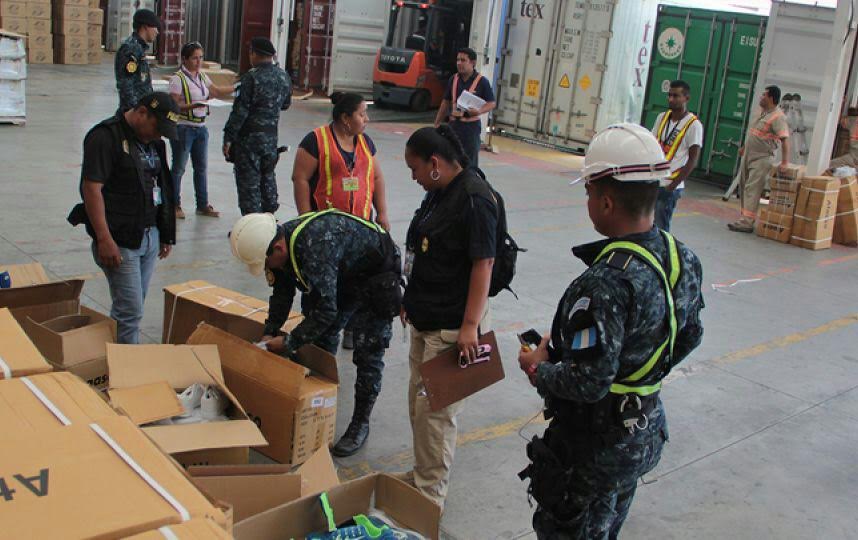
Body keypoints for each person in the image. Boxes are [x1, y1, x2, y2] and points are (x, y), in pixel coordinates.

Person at [517, 123, 705, 539]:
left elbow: (590, 382)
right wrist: (640, 371)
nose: (587, 200)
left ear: (605, 201)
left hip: (594, 450)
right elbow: (690, 335)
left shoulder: (605, 283)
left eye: (587, 192)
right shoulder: (683, 258)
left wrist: (538, 368)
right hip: (642, 432)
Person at [229, 211, 400, 457]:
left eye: (266, 263)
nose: (267, 269)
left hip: (377, 276)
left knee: (367, 354)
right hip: (345, 275)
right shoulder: (280, 244)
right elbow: (282, 292)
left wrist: (290, 342)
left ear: (277, 248)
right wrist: (270, 332)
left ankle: (360, 423)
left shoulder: (316, 247)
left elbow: (326, 311)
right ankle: (317, 407)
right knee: (321, 341)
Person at [398, 125, 498, 509]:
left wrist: (470, 327)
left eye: (415, 168)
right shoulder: (438, 193)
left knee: (436, 415)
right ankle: (424, 473)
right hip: (426, 316)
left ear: (435, 163)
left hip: (453, 327)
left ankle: (430, 496)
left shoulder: (475, 198)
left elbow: (483, 263)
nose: (413, 177)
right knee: (419, 408)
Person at [67, 92, 179, 344]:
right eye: (156, 127)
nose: (158, 135)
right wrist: (104, 238)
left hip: (149, 235)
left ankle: (116, 363)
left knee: (131, 308)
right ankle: (127, 374)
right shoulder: (105, 137)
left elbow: (163, 187)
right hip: (120, 240)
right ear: (141, 113)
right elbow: (91, 188)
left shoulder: (155, 143)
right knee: (130, 312)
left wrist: (165, 233)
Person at [291, 91, 390, 350]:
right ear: (346, 118)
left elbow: (377, 178)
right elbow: (300, 178)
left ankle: (350, 326)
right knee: (326, 289)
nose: (366, 119)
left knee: (356, 282)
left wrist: (383, 213)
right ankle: (319, 338)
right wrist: (306, 220)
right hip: (327, 238)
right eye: (362, 114)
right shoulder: (315, 141)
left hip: (358, 233)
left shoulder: (366, 143)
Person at [223, 37, 292, 216]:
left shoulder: (251, 78)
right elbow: (285, 104)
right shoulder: (284, 77)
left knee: (249, 186)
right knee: (268, 177)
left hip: (249, 141)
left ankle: (252, 229)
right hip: (270, 140)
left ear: (254, 53)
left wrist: (228, 137)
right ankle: (269, 221)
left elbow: (240, 111)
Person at [168, 42, 234, 220]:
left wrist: (238, 87)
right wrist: (193, 105)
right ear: (185, 59)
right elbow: (173, 106)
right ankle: (174, 205)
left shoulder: (202, 77)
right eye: (195, 58)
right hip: (183, 127)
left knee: (201, 168)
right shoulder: (178, 79)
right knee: (179, 168)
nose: (198, 61)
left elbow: (216, 91)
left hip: (200, 128)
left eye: (201, 57)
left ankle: (202, 205)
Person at [728, 85, 791, 233]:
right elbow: (754, 133)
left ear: (771, 98)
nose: (761, 97)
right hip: (749, 155)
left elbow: (785, 140)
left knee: (752, 189)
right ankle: (744, 218)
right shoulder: (761, 112)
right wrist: (744, 147)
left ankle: (747, 222)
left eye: (764, 95)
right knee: (744, 186)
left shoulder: (778, 117)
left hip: (762, 158)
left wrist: (785, 163)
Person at [650, 80, 702, 231]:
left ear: (686, 98)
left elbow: (692, 160)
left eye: (676, 96)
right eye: (669, 95)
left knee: (661, 228)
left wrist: (673, 186)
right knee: (646, 226)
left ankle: (663, 254)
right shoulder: (662, 117)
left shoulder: (693, 125)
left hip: (670, 185)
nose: (671, 99)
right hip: (654, 182)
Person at [433, 47, 496, 169]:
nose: (459, 63)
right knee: (450, 159)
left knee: (469, 162)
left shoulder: (482, 82)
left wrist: (479, 111)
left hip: (470, 129)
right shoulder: (453, 79)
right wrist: (437, 123)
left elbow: (491, 103)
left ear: (472, 63)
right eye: (457, 60)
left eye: (463, 60)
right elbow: (445, 102)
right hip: (454, 126)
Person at [115, 9, 161, 112]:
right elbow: (126, 86)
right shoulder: (130, 49)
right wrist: (136, 111)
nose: (157, 32)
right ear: (145, 27)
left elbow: (145, 85)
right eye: (155, 27)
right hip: (134, 115)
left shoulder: (139, 48)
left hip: (143, 110)